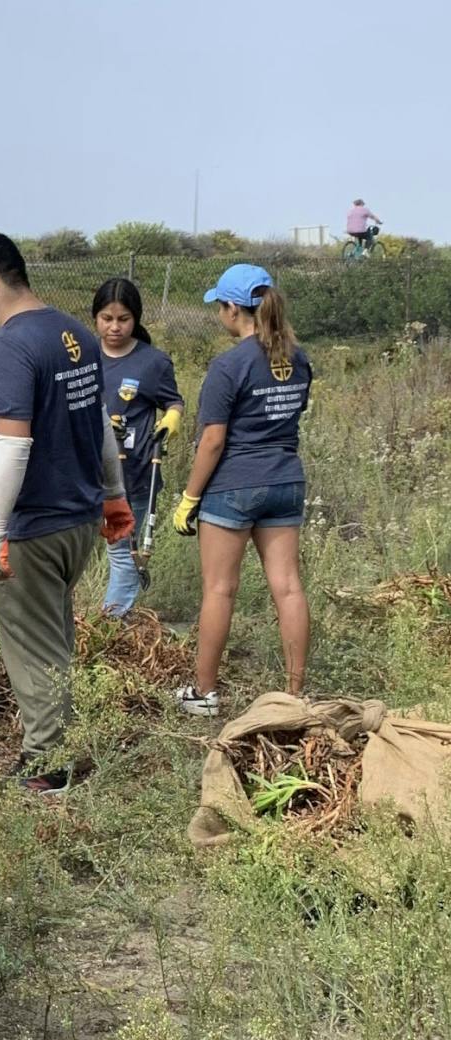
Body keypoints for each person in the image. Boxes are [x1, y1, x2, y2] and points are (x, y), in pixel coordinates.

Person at [0, 232, 135, 795]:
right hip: (78, 521)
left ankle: (48, 765)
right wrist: (114, 494)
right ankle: (66, 745)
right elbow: (100, 423)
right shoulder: (74, 331)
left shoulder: (10, 346)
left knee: (30, 648)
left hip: (32, 528)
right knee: (54, 641)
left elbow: (11, 444)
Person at [170, 264, 312, 716]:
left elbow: (213, 440)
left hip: (234, 485)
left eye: (220, 306)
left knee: (219, 589)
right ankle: (294, 695)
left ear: (234, 308)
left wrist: (189, 498)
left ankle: (203, 694)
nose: (219, 314)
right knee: (288, 587)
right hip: (286, 480)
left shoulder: (229, 364)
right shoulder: (299, 356)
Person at [93, 277, 183, 617]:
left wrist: (172, 418)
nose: (114, 327)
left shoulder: (153, 362)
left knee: (122, 551)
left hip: (134, 473)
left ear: (136, 319)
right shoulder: (82, 356)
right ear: (96, 318)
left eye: (123, 319)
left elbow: (173, 402)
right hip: (86, 473)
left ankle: (110, 625)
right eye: (106, 318)